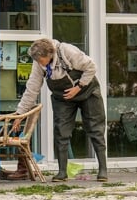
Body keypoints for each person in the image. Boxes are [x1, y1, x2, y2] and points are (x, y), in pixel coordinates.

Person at [17, 38, 108, 181]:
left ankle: (103, 169)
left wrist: (79, 87)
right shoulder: (38, 63)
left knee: (95, 127)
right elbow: (32, 88)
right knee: (61, 131)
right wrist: (20, 113)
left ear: (50, 53)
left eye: (42, 60)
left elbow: (91, 67)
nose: (40, 63)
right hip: (63, 98)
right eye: (38, 61)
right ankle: (62, 172)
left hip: (87, 91)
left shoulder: (67, 51)